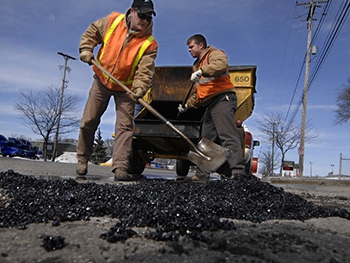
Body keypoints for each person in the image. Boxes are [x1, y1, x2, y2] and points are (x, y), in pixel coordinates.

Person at [76, 0, 158, 181]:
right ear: (132, 12)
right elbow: (93, 32)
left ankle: (121, 166)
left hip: (126, 90)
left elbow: (145, 71)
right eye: (142, 15)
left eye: (149, 17)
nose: (145, 20)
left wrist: (139, 89)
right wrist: (86, 48)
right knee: (88, 121)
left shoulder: (150, 44)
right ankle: (82, 159)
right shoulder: (113, 21)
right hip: (101, 81)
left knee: (124, 127)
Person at [178, 34, 245, 181]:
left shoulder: (215, 55)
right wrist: (186, 106)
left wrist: (202, 71)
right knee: (206, 140)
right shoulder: (197, 65)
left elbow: (220, 66)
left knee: (227, 135)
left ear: (201, 45)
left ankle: (238, 173)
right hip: (211, 103)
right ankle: (201, 175)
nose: (189, 50)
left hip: (223, 99)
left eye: (191, 47)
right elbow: (199, 92)